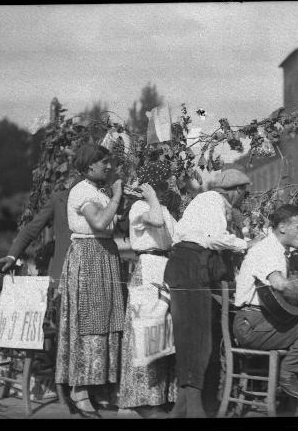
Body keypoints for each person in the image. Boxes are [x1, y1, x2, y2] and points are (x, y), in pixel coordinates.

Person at [163, 168, 250, 418]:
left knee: (192, 335)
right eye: (243, 194)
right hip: (190, 267)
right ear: (235, 191)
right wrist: (246, 244)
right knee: (195, 338)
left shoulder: (209, 202)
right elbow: (214, 238)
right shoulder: (213, 200)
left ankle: (182, 407)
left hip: (188, 267)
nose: (243, 199)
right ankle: (194, 407)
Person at [233, 204, 298, 416]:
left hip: (266, 322)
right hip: (252, 326)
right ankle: (287, 373)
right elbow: (279, 283)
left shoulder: (278, 250)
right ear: (281, 228)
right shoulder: (267, 249)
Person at [54, 143, 126, 418]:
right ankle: (80, 391)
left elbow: (110, 224)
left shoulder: (96, 191)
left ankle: (97, 388)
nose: (109, 167)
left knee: (106, 321)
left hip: (104, 256)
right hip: (89, 257)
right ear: (89, 166)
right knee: (90, 321)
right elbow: (98, 223)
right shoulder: (82, 191)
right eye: (104, 162)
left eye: (109, 162)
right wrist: (118, 196)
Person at [117, 169, 177, 418]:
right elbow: (157, 221)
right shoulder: (139, 208)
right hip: (149, 267)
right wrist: (150, 197)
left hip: (165, 268)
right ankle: (140, 399)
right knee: (145, 331)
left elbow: (175, 234)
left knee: (163, 333)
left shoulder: (162, 208)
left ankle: (160, 397)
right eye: (161, 184)